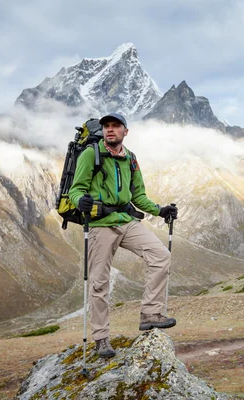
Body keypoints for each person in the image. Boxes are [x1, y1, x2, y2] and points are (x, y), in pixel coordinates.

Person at [69, 112, 178, 359]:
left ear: (125, 131)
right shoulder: (91, 154)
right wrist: (81, 201)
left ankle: (151, 313)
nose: (110, 130)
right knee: (99, 282)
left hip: (126, 221)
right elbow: (76, 190)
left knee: (160, 255)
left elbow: (138, 195)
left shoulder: (131, 159)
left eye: (116, 126)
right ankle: (101, 338)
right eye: (107, 126)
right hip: (99, 224)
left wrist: (160, 211)